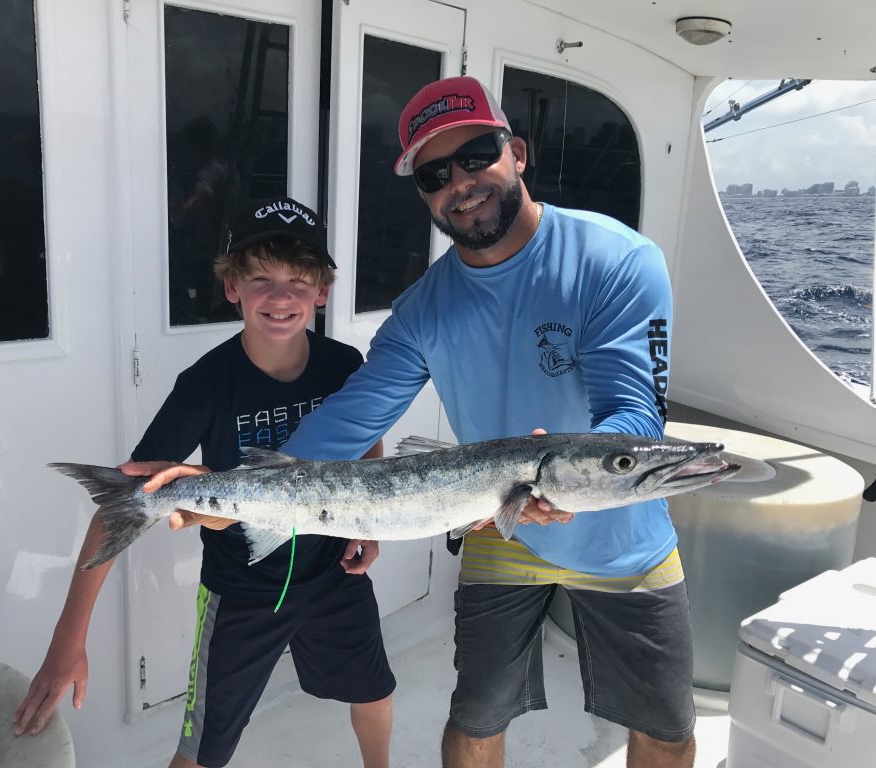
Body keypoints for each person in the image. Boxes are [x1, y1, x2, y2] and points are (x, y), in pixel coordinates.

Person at [275, 77, 694, 768]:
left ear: (517, 151)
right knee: (474, 718)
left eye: (476, 155)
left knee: (667, 731)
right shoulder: (421, 309)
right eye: (435, 174)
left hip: (624, 532)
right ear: (424, 194)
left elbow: (634, 415)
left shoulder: (616, 260)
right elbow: (352, 420)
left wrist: (568, 478)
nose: (460, 183)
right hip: (501, 519)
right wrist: (243, 487)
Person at [12, 196, 396, 768]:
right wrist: (68, 639)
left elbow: (366, 437)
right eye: (261, 278)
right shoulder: (205, 385)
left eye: (298, 281)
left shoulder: (343, 364)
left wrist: (367, 525)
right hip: (241, 593)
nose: (281, 297)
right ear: (232, 288)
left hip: (333, 576)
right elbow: (124, 502)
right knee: (201, 751)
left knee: (377, 693)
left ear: (322, 292)